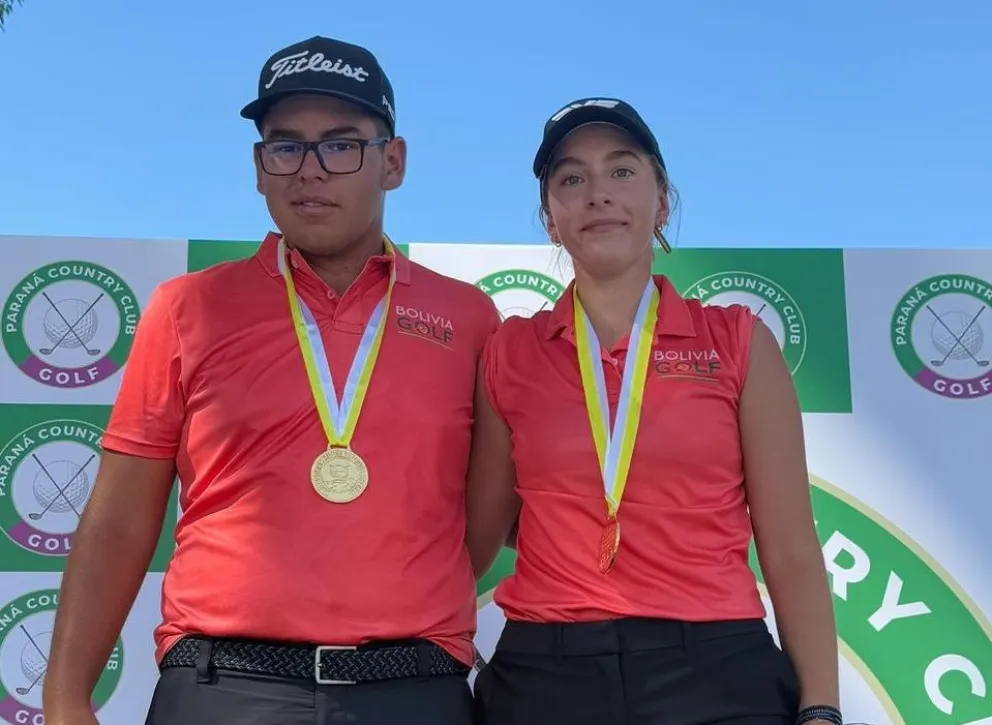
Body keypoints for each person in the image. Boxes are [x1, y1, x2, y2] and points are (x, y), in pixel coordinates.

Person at [43, 35, 500, 725]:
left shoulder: (468, 317)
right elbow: (118, 521)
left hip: (413, 687)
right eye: (285, 146)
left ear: (394, 162)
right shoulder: (186, 307)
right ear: (259, 168)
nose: (309, 171)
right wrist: (66, 698)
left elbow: (480, 515)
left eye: (341, 143)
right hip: (223, 687)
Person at [465, 98, 843, 725]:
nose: (597, 194)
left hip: (716, 668)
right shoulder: (510, 351)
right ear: (550, 217)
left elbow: (792, 550)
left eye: (621, 171)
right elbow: (477, 540)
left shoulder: (738, 341)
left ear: (661, 201)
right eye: (571, 179)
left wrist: (822, 708)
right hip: (547, 674)